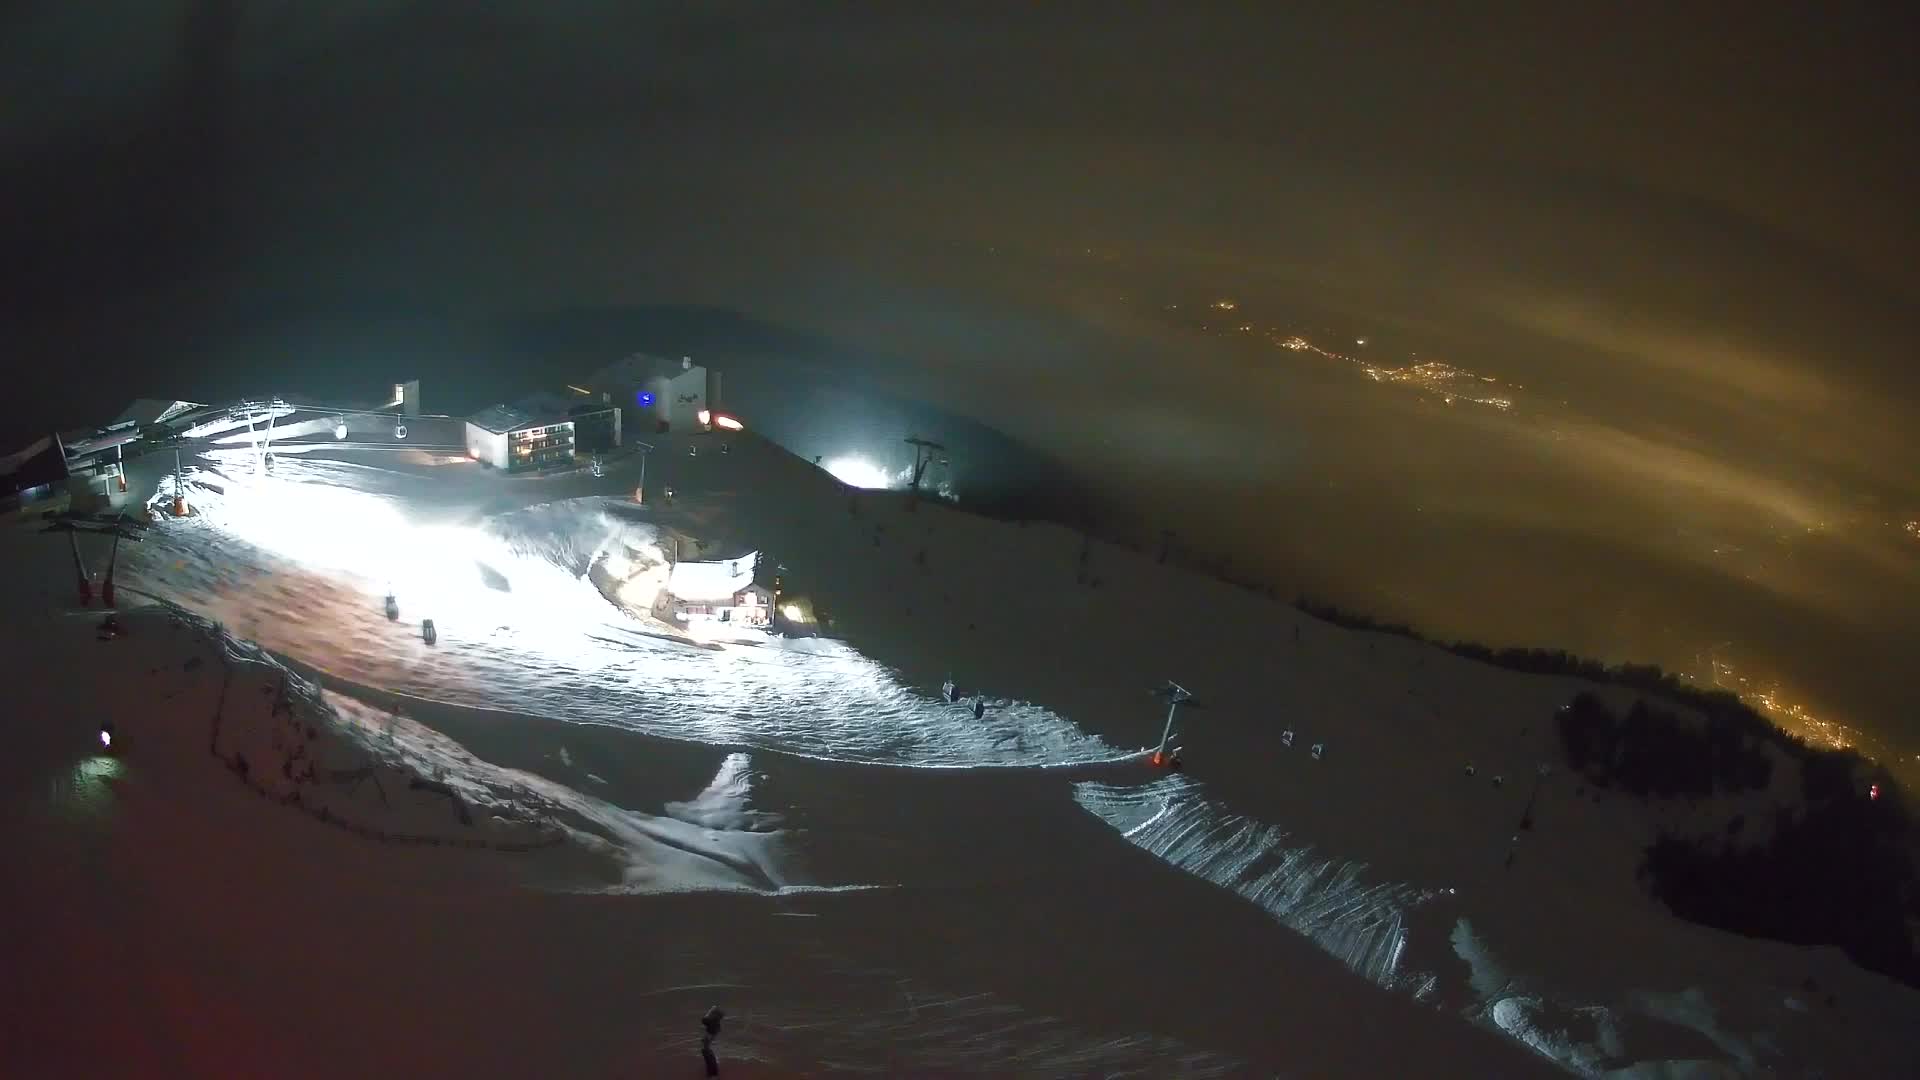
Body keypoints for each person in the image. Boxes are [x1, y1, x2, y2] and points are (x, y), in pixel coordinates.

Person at [700, 1006, 725, 1077]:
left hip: (707, 1047)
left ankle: (711, 1075)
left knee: (709, 1059)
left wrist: (711, 1010)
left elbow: (704, 1019)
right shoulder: (717, 1025)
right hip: (708, 1046)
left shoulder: (711, 1022)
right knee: (711, 1061)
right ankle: (713, 1074)